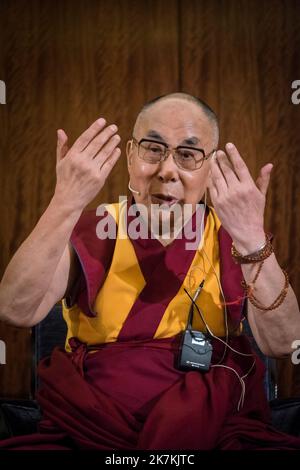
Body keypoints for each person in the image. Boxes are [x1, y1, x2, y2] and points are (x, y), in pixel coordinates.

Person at [0, 92, 300, 450]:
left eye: (188, 155)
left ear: (209, 169)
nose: (167, 171)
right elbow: (14, 310)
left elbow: (285, 343)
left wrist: (252, 239)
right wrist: (64, 203)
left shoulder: (234, 237)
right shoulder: (92, 230)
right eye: (153, 149)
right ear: (130, 156)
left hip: (212, 427)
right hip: (94, 428)